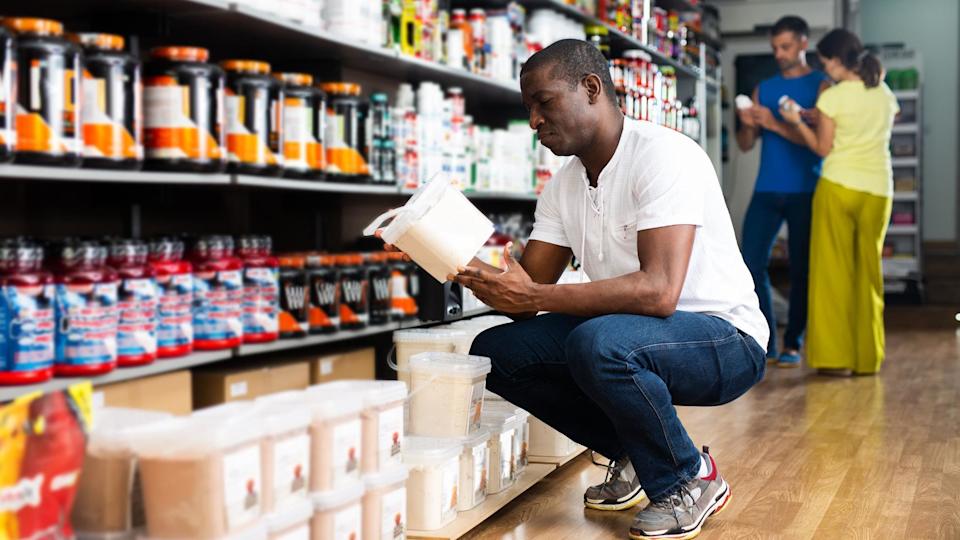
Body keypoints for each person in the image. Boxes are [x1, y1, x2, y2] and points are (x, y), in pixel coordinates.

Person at [385, 39, 768, 540]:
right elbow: (527, 290)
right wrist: (440, 250)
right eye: (528, 109)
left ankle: (689, 478)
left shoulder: (663, 155)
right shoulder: (563, 186)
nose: (533, 122)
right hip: (637, 335)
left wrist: (536, 298)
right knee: (497, 352)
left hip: (724, 339)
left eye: (544, 103)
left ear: (591, 88)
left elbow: (659, 293)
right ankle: (635, 454)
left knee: (598, 342)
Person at [779, 29, 898, 375]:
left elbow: (822, 148)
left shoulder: (833, 97)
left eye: (825, 61)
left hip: (839, 185)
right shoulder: (884, 93)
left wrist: (795, 122)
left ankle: (835, 360)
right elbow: (872, 127)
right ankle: (867, 359)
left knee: (832, 275)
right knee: (868, 274)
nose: (824, 68)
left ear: (834, 60)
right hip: (878, 189)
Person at [736, 16, 830, 368]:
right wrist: (746, 125)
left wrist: (775, 122)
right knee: (751, 264)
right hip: (766, 190)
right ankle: (769, 342)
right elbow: (747, 145)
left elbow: (818, 143)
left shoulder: (822, 86)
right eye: (775, 47)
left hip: (806, 189)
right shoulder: (764, 88)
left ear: (803, 44)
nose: (778, 53)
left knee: (802, 267)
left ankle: (794, 343)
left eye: (785, 46)